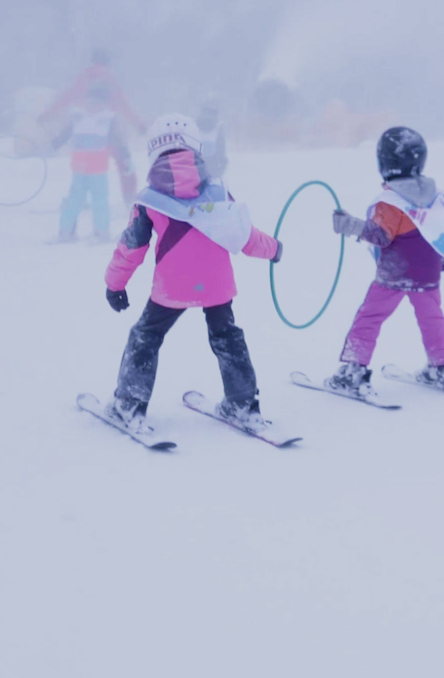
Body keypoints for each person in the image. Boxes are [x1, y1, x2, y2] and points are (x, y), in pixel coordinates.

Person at [100, 114, 283, 436]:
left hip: (173, 285)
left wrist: (115, 284)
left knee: (146, 336)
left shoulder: (149, 200)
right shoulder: (217, 191)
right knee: (227, 336)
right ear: (196, 147)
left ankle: (128, 404)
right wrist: (274, 249)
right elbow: (244, 235)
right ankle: (243, 404)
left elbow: (131, 246)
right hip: (217, 284)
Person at [322, 127, 444, 399]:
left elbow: (380, 236)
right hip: (428, 273)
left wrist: (349, 225)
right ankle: (442, 367)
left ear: (384, 164)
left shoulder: (391, 202)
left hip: (393, 275)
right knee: (432, 319)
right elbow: (442, 231)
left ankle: (353, 370)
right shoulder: (436, 197)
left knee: (370, 318)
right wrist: (441, 259)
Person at [41, 49, 144, 205]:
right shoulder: (110, 78)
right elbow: (123, 104)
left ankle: (77, 199)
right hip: (109, 131)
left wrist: (47, 115)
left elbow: (65, 98)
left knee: (84, 167)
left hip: (85, 132)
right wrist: (138, 124)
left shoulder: (83, 77)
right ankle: (129, 200)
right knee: (125, 164)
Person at [50, 83, 133, 244]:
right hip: (85, 169)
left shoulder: (104, 119)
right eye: (91, 101)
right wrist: (52, 145)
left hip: (94, 168)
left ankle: (94, 232)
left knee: (93, 200)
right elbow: (65, 134)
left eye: (97, 102)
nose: (93, 105)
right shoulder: (84, 117)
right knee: (81, 200)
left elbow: (117, 141)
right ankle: (71, 232)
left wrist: (126, 158)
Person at [197, 100, 230, 181]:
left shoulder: (193, 126)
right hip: (213, 168)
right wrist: (222, 166)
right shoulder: (218, 128)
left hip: (195, 165)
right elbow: (221, 149)